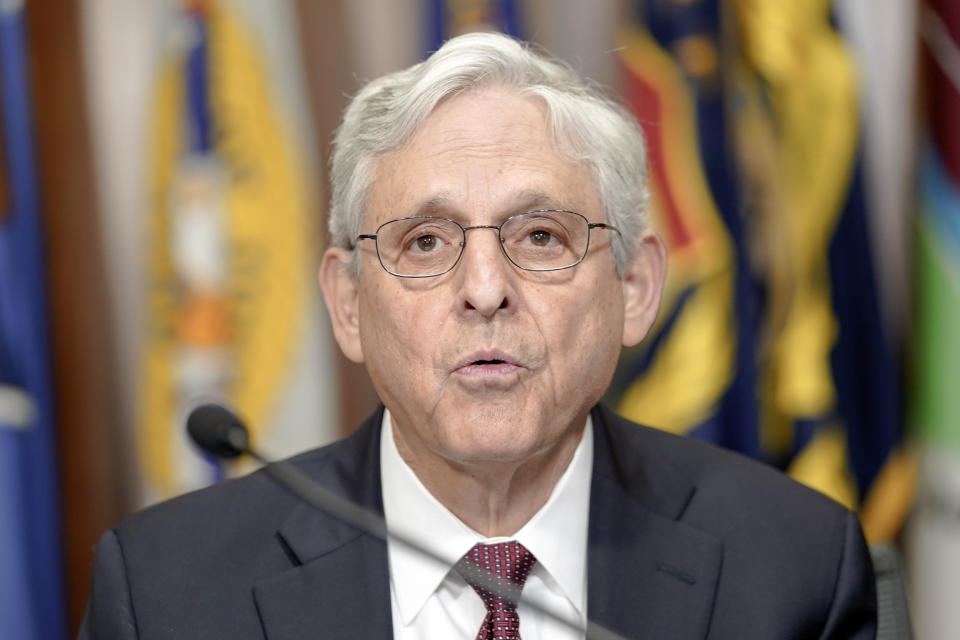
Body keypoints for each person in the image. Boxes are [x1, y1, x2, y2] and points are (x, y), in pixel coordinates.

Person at [79, 32, 875, 639]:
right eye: (424, 241)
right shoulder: (166, 595)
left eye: (540, 238)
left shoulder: (794, 570)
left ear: (634, 289)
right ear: (349, 302)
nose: (486, 290)